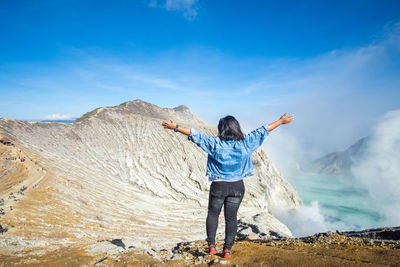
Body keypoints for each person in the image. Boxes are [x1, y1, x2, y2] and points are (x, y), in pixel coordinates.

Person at [162, 113, 294, 258]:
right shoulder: (245, 143)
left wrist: (176, 127)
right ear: (236, 128)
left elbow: (196, 135)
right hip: (237, 187)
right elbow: (262, 130)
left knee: (213, 214)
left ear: (221, 130)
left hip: (219, 186)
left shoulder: (214, 143)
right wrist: (280, 121)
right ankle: (227, 250)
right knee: (231, 218)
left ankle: (212, 246)